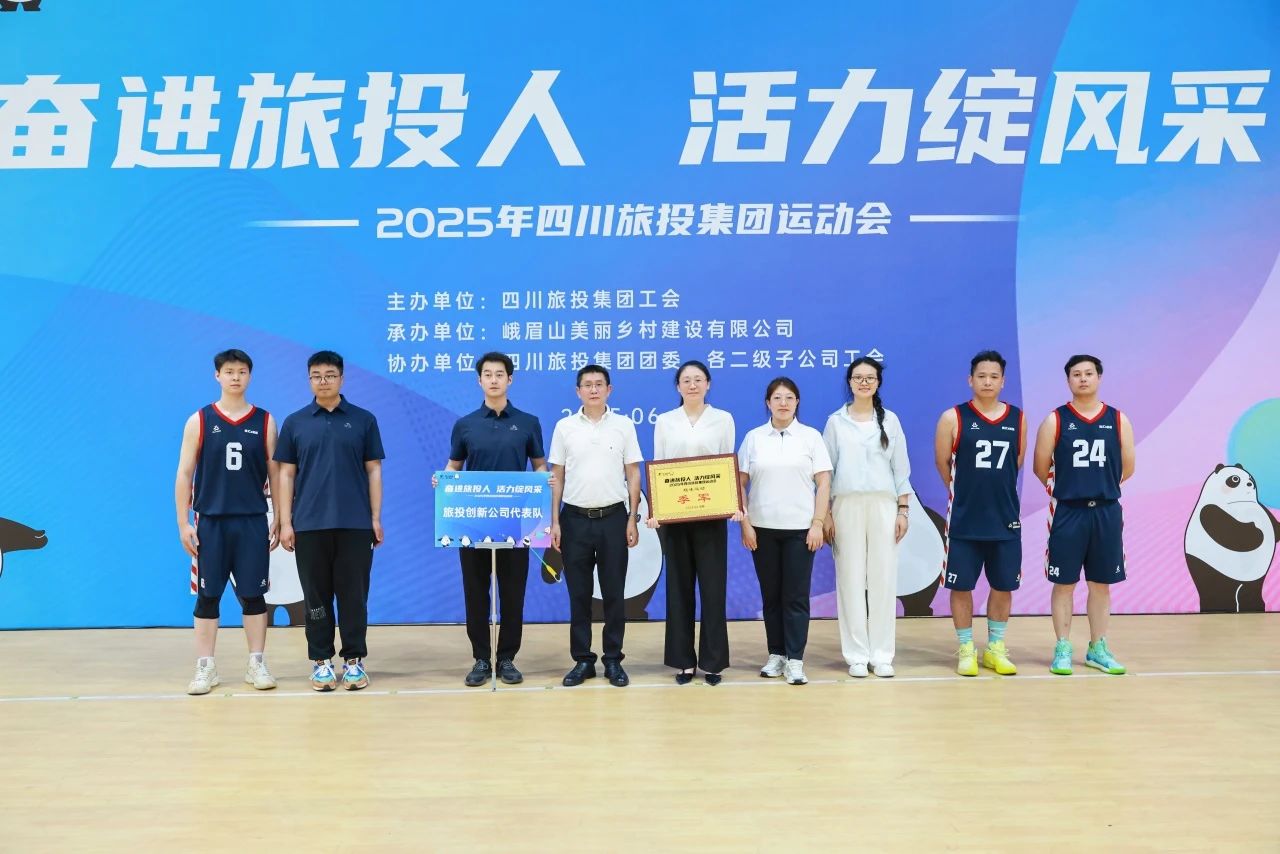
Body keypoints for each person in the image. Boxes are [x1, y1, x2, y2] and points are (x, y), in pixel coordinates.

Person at [275, 351, 385, 691]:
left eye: (330, 375)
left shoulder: (363, 420)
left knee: (354, 596)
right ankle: (321, 662)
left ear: (341, 378)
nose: (323, 381)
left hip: (355, 524)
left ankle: (354, 661)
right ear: (309, 380)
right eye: (316, 376)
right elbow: (286, 475)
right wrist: (286, 522)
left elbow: (373, 471)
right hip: (309, 524)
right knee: (316, 598)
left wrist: (375, 518)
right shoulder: (295, 422)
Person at [174, 349, 280, 695]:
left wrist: (280, 516)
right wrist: (183, 523)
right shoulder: (200, 420)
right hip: (211, 522)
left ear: (250, 376)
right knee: (208, 596)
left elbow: (276, 474)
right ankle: (206, 666)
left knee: (254, 595)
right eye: (229, 371)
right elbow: (184, 473)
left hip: (252, 521)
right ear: (217, 375)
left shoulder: (265, 421)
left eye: (242, 371)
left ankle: (257, 663)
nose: (236, 377)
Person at [440, 352, 547, 687]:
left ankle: (507, 658)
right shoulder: (466, 424)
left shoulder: (528, 422)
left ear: (509, 379)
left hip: (515, 522)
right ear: (479, 381)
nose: (494, 380)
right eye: (487, 374)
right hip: (474, 523)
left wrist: (544, 483)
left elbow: (539, 466)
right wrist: (442, 482)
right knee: (475, 591)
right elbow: (454, 467)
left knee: (513, 592)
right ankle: (482, 659)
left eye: (500, 374)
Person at [1033, 354, 1134, 676]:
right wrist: (1073, 487)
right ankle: (1063, 647)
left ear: (1099, 377)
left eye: (1089, 373)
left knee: (1101, 584)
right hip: (1068, 511)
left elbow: (1128, 467)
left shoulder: (1117, 419)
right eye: (1076, 374)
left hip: (1105, 511)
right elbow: (1040, 467)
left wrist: (1098, 486)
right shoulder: (1055, 420)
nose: (1083, 379)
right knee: (1064, 583)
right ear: (1068, 380)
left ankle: (1097, 648)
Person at [547, 365, 642, 688]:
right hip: (574, 520)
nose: (593, 389)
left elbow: (633, 473)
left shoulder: (623, 426)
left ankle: (613, 659)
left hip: (614, 518)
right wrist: (555, 520)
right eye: (587, 385)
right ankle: (583, 660)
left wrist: (632, 517)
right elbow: (556, 476)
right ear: (578, 392)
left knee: (614, 592)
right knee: (579, 594)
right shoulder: (564, 427)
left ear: (609, 390)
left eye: (599, 384)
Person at [933, 350, 1026, 677]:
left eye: (994, 376)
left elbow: (1016, 462)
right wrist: (964, 493)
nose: (988, 381)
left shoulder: (1018, 418)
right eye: (981, 376)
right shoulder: (952, 418)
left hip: (1005, 518)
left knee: (1003, 585)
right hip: (965, 519)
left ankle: (995, 648)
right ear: (970, 380)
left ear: (1003, 381)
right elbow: (943, 463)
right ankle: (966, 648)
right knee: (961, 587)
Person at [738, 377, 832, 686]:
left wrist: (817, 522)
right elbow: (739, 484)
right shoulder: (753, 438)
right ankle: (776, 654)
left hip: (800, 530)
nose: (783, 403)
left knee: (795, 597)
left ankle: (795, 660)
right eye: (777, 398)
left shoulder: (810, 437)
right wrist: (746, 524)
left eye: (789, 398)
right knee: (771, 596)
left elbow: (824, 483)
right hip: (762, 529)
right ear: (768, 403)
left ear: (797, 402)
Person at [823, 357, 912, 678]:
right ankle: (857, 654)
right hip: (845, 506)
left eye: (870, 378)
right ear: (849, 382)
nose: (864, 382)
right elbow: (826, 472)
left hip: (883, 505)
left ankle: (882, 654)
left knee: (883, 579)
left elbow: (901, 469)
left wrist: (903, 510)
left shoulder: (891, 421)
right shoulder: (835, 422)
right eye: (858, 377)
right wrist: (825, 514)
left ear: (878, 383)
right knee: (849, 579)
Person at [649, 360, 737, 685]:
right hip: (676, 515)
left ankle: (713, 662)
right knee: (679, 588)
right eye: (686, 380)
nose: (692, 385)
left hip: (711, 515)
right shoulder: (665, 421)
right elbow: (659, 465)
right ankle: (683, 661)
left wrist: (731, 503)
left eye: (698, 379)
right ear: (678, 386)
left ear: (708, 384)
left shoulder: (723, 419)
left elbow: (726, 463)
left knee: (713, 589)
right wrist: (657, 510)